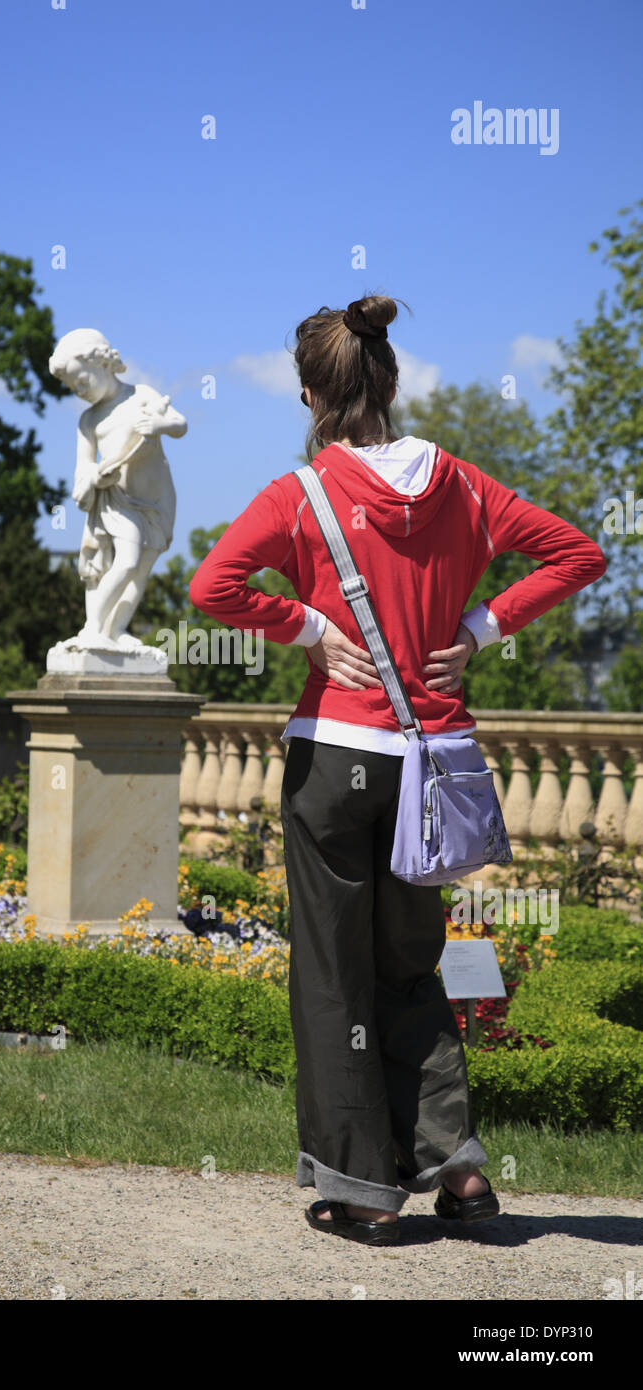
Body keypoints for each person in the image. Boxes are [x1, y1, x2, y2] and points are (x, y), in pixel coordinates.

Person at [188, 294, 607, 1245]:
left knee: (336, 975)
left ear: (309, 395)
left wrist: (306, 626)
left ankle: (363, 1190)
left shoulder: (301, 495)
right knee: (415, 966)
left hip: (337, 759)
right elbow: (577, 554)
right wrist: (480, 626)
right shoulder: (460, 485)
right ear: (391, 380)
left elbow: (211, 585)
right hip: (435, 768)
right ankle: (457, 1173)